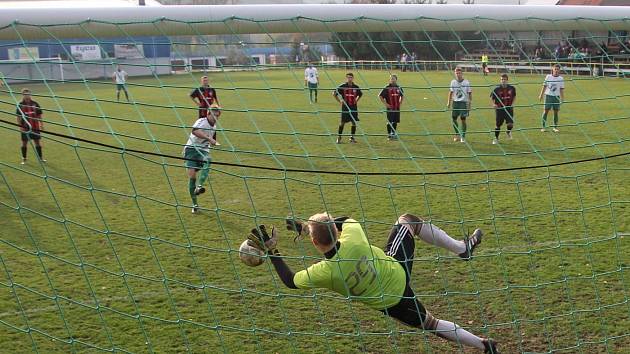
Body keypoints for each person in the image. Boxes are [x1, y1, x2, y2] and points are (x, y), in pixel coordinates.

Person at [246, 213, 498, 354]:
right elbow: (343, 220)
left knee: (431, 324)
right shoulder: (354, 236)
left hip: (391, 303)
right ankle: (462, 249)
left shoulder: (325, 272)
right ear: (336, 230)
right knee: (408, 221)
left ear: (314, 243)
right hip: (396, 271)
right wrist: (308, 226)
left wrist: (272, 251)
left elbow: (290, 281)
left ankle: (483, 345)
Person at [183, 105, 219, 214]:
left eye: (217, 116)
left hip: (203, 151)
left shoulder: (214, 127)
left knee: (208, 159)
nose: (215, 118)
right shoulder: (201, 121)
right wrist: (208, 138)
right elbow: (194, 131)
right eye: (213, 115)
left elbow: (213, 140)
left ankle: (200, 187)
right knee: (192, 176)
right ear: (208, 114)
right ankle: (195, 204)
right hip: (191, 149)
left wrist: (214, 142)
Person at [16, 88, 45, 164]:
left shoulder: (35, 104)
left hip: (35, 127)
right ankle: (24, 159)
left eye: (28, 94)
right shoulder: (20, 104)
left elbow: (39, 115)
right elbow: (18, 117)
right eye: (25, 94)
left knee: (37, 142)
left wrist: (41, 125)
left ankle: (41, 158)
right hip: (25, 128)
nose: (27, 96)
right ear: (22, 95)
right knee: (24, 143)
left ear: (30, 94)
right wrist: (20, 126)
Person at [190, 76, 222, 145]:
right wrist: (197, 103)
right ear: (201, 81)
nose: (205, 82)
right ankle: (200, 139)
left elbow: (216, 97)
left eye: (206, 80)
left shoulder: (212, 89)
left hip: (211, 110)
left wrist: (219, 105)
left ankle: (213, 141)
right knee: (201, 125)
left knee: (212, 125)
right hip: (202, 110)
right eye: (204, 80)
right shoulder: (199, 89)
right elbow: (190, 95)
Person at [333, 73, 363, 144]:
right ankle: (339, 137)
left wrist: (356, 100)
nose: (350, 79)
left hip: (353, 107)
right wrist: (340, 101)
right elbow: (334, 93)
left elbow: (360, 94)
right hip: (345, 107)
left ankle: (352, 138)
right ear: (346, 78)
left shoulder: (356, 87)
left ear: (353, 78)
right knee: (342, 123)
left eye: (351, 77)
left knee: (354, 122)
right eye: (348, 77)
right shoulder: (343, 86)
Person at [447, 67, 472, 143]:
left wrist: (469, 103)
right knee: (454, 119)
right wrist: (448, 102)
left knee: (463, 119)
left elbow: (469, 93)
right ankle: (457, 134)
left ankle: (463, 136)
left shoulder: (466, 82)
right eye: (456, 73)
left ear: (462, 73)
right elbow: (450, 92)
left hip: (463, 103)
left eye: (459, 73)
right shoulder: (453, 82)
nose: (458, 74)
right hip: (455, 103)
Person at [490, 74, 517, 145]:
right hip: (499, 109)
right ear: (500, 80)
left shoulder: (512, 88)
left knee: (510, 124)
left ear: (507, 80)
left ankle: (508, 132)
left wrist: (512, 104)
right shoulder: (496, 89)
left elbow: (514, 96)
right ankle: (496, 138)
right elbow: (492, 97)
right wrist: (494, 104)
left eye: (505, 79)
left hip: (509, 108)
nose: (503, 81)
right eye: (502, 79)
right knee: (498, 125)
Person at [538, 64, 564, 133]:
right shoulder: (548, 77)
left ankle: (555, 127)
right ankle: (543, 127)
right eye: (555, 69)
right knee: (545, 111)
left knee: (556, 112)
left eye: (557, 69)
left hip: (556, 97)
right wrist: (541, 95)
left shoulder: (561, 79)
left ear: (559, 70)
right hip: (548, 96)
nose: (556, 70)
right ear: (552, 69)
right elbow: (544, 86)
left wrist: (562, 98)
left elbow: (561, 89)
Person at [379, 74, 404, 141]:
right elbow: (380, 96)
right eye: (391, 79)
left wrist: (400, 102)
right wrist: (386, 104)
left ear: (396, 79)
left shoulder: (399, 87)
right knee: (389, 121)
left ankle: (393, 133)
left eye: (393, 78)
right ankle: (389, 134)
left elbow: (402, 95)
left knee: (395, 120)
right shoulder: (387, 88)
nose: (392, 80)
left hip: (397, 107)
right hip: (390, 107)